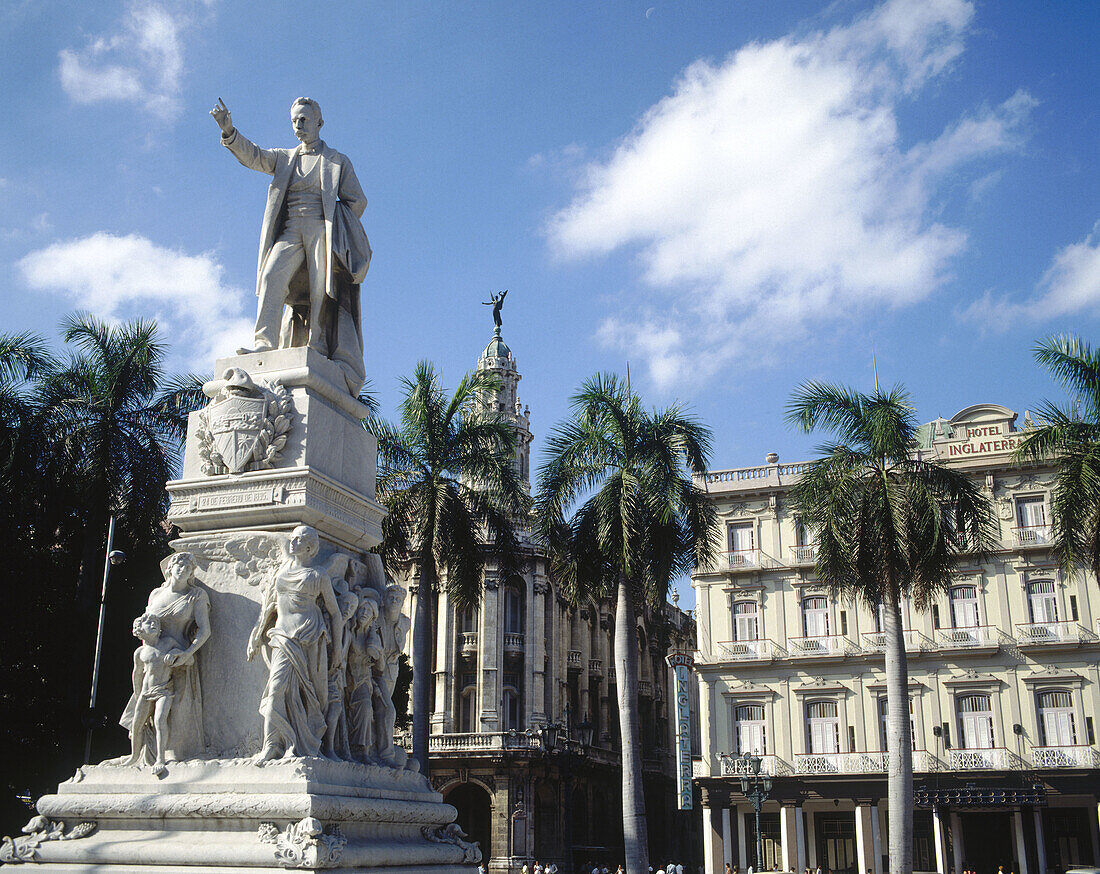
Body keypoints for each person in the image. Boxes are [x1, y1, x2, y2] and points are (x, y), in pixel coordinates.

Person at [210, 97, 371, 394]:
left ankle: (318, 341)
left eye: (304, 120)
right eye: (295, 120)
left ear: (319, 123)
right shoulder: (284, 158)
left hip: (321, 229)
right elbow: (254, 156)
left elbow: (357, 200)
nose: (299, 125)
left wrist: (337, 223)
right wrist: (229, 132)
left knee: (320, 287)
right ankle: (264, 343)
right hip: (289, 229)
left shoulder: (337, 161)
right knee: (272, 277)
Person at [247, 526, 346, 760]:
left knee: (313, 693)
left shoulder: (318, 575)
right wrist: (256, 634)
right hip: (282, 634)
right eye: (292, 538)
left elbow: (335, 613)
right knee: (275, 689)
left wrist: (339, 650)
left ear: (310, 547)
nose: (293, 542)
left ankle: (306, 743)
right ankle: (272, 745)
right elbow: (269, 605)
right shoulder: (281, 570)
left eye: (299, 539)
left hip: (309, 635)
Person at [119, 552, 211, 761]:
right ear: (170, 568)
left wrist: (187, 653)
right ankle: (141, 754)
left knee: (171, 715)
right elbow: (145, 625)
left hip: (177, 660)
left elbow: (205, 631)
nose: (182, 570)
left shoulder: (196, 595)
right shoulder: (155, 594)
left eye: (188, 568)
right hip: (152, 661)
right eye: (178, 565)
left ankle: (168, 757)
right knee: (143, 718)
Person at [123, 613, 184, 776]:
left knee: (159, 720)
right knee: (137, 724)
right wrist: (137, 695)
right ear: (139, 629)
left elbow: (188, 658)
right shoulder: (140, 652)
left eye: (156, 622)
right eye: (148, 623)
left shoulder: (168, 643)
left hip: (164, 690)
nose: (153, 624)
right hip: (145, 692)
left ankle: (160, 758)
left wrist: (176, 653)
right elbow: (137, 675)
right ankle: (134, 756)